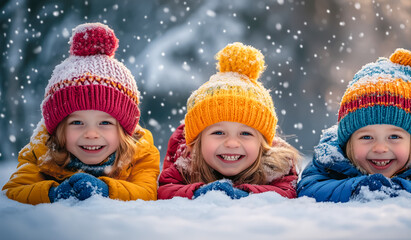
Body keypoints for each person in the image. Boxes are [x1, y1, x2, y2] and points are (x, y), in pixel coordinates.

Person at [2, 23, 160, 205]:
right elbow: (13, 192)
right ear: (58, 128)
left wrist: (107, 189)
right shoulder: (42, 151)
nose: (91, 133)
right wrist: (52, 194)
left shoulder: (139, 153)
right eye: (77, 123)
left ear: (124, 129)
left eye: (105, 123)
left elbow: (147, 192)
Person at [297, 48, 411, 202]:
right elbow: (308, 189)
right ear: (348, 141)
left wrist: (400, 189)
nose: (380, 148)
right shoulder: (331, 161)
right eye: (366, 137)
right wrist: (358, 186)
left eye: (394, 136)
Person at [157, 42, 300, 200]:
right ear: (197, 141)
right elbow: (166, 190)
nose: (232, 143)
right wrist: (201, 192)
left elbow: (286, 192)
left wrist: (245, 193)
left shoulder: (276, 168)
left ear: (263, 143)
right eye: (218, 132)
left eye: (245, 133)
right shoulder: (185, 163)